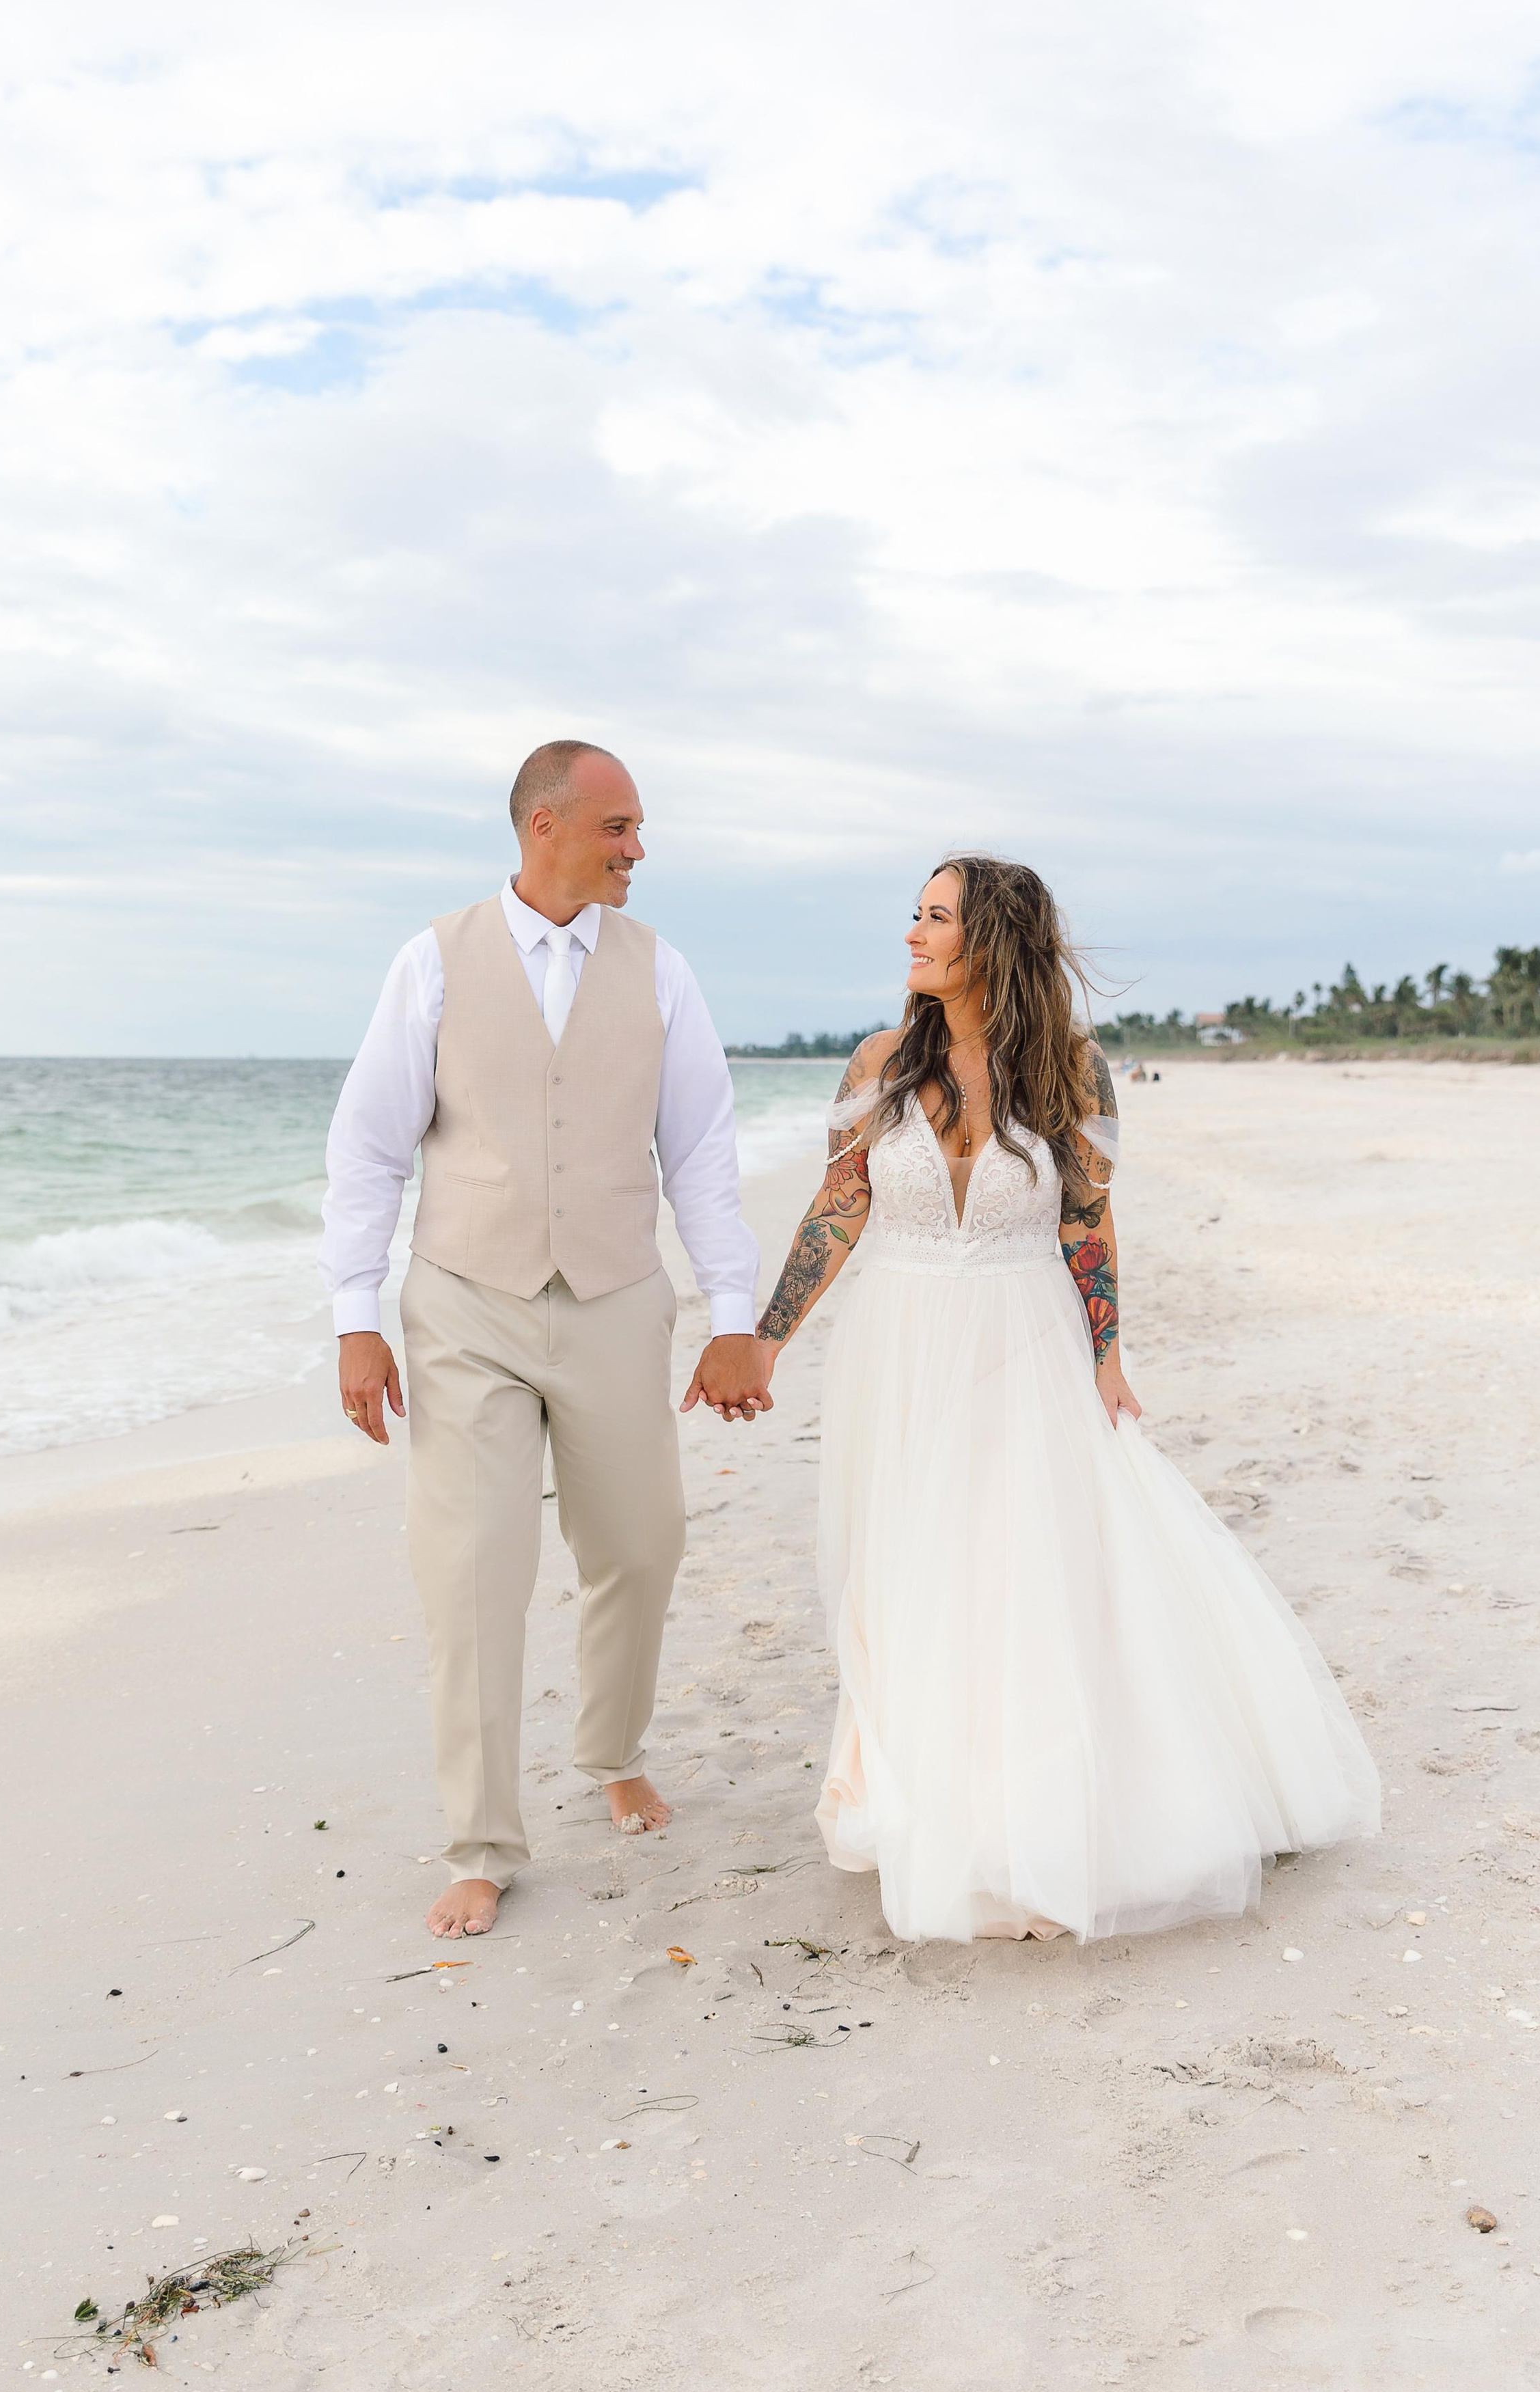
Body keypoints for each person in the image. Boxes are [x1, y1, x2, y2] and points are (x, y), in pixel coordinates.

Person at [727, 855, 1378, 1944]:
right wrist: (767, 1341)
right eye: (916, 915)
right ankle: (915, 1791)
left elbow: (1086, 1220)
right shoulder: (882, 1060)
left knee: (1019, 1567)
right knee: (911, 1566)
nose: (913, 936)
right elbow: (838, 1208)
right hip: (899, 1346)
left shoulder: (1072, 1068)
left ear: (991, 940)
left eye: (935, 918)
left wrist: (1108, 1353)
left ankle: (1029, 1809)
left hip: (1025, 1339)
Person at [319, 741, 767, 1938]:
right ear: (544, 826)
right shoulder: (435, 961)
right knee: (473, 1571)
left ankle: (611, 1749)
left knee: (642, 1542)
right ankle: (480, 1840)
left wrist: (736, 1315)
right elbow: (368, 1150)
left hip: (618, 1296)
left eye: (638, 830)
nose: (636, 849)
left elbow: (705, 1156)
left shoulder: (662, 973)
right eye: (618, 827)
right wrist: (355, 1321)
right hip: (467, 1301)